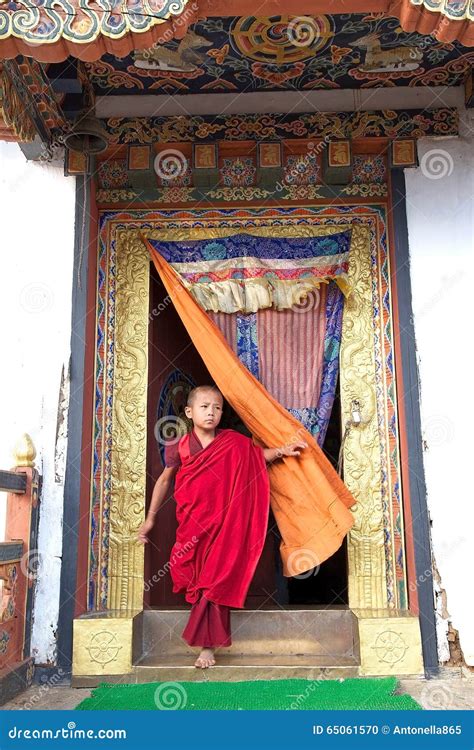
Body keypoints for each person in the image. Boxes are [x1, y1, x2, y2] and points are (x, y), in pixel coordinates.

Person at [137, 384, 307, 669]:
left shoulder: (232, 441)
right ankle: (205, 638)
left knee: (213, 582)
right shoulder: (179, 446)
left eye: (217, 408)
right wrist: (151, 517)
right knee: (193, 576)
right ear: (189, 412)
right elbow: (165, 480)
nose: (211, 412)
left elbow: (256, 457)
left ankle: (207, 647)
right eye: (204, 407)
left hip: (225, 526)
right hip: (192, 526)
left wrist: (282, 451)